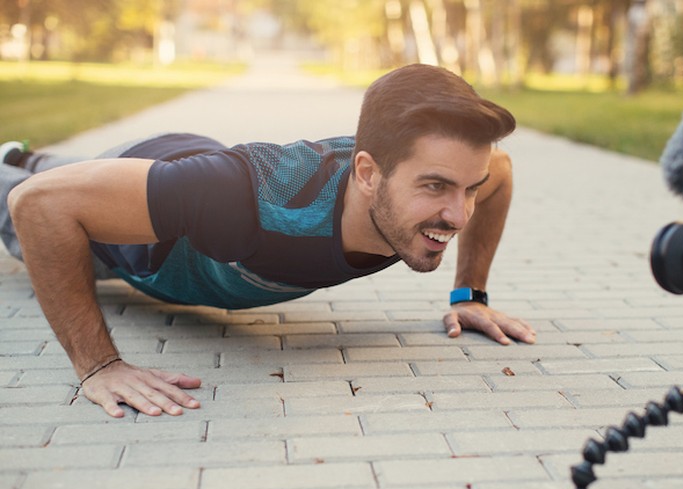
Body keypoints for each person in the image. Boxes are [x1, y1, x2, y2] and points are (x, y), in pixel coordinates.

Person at [1, 63, 536, 418]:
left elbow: (502, 174)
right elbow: (41, 208)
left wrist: (470, 295)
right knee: (22, 199)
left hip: (184, 170)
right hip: (139, 235)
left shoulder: (446, 178)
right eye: (436, 187)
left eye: (469, 188)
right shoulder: (243, 198)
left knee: (61, 173)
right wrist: (99, 366)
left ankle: (23, 155)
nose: (459, 213)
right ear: (368, 173)